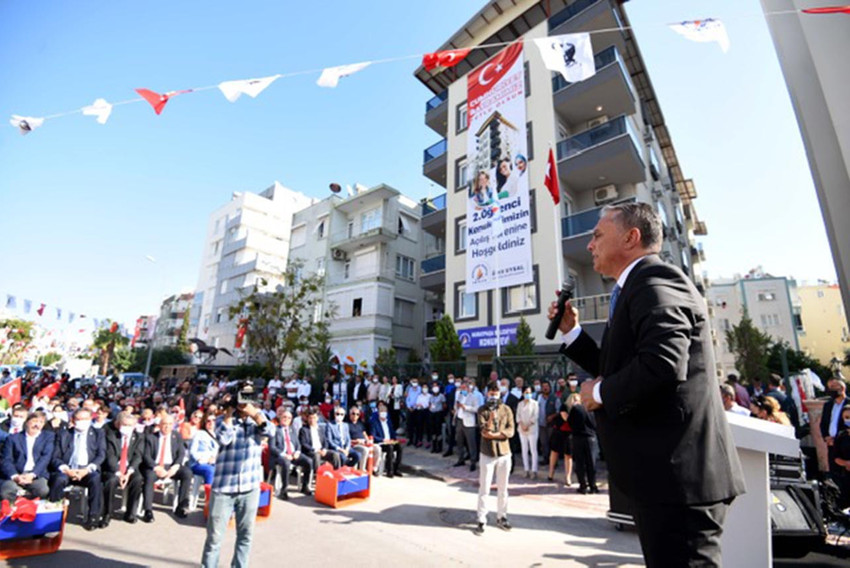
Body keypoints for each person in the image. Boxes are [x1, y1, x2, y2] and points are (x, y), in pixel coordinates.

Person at [550, 202, 745, 567]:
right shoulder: (634, 288)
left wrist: (600, 393)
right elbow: (622, 364)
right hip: (661, 481)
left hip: (679, 483)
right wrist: (572, 333)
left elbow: (663, 363)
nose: (590, 245)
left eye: (597, 235)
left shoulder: (656, 280)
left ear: (631, 237)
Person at [201, 393, 272, 568]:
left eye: (248, 396)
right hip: (224, 487)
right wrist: (228, 413)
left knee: (246, 536)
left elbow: (270, 431)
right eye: (242, 397)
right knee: (214, 538)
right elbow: (223, 439)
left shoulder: (258, 418)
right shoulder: (223, 419)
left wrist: (255, 415)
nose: (244, 402)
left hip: (250, 487)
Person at [48, 408, 106, 531]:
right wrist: (66, 470)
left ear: (90, 419)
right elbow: (55, 457)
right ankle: (53, 516)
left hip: (86, 470)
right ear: (73, 420)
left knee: (96, 479)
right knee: (58, 480)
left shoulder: (98, 433)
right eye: (78, 419)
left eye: (85, 419)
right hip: (67, 470)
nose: (81, 422)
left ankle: (93, 516)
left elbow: (101, 455)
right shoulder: (64, 434)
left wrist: (86, 470)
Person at [474, 381, 515, 535]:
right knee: (484, 488)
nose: (494, 395)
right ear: (487, 394)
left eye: (496, 392)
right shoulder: (482, 410)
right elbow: (484, 431)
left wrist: (495, 435)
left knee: (503, 488)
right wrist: (491, 419)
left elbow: (510, 431)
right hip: (487, 454)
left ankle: (502, 516)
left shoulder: (506, 409)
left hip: (504, 453)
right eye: (491, 393)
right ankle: (481, 519)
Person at [140, 413, 193, 522]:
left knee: (187, 473)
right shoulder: (151, 437)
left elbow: (181, 453)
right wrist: (156, 468)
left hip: (171, 465)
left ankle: (181, 506)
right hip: (155, 466)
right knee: (149, 477)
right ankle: (148, 510)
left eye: (170, 424)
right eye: (164, 424)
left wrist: (175, 466)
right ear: (159, 425)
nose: (167, 426)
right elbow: (146, 456)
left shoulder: (176, 436)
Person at [101, 411, 145, 527]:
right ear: (118, 424)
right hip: (113, 468)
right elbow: (109, 456)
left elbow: (138, 456)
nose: (127, 428)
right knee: (111, 482)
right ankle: (107, 514)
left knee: (138, 479)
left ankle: (130, 513)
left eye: (130, 426)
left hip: (129, 468)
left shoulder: (139, 437)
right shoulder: (111, 436)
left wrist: (129, 472)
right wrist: (118, 473)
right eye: (124, 425)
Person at [0, 412, 53, 502]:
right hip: (17, 474)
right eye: (34, 421)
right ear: (27, 422)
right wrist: (15, 476)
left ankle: (24, 499)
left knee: (42, 490)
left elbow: (45, 458)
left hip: (36, 475)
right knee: (6, 491)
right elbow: (6, 459)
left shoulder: (48, 437)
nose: (37, 425)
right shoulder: (13, 438)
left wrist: (32, 475)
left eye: (41, 422)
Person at [269, 408, 312, 499]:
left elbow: (298, 444)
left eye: (289, 418)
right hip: (280, 455)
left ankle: (305, 486)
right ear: (280, 417)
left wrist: (297, 452)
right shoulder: (275, 430)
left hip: (293, 454)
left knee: (309, 461)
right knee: (286, 462)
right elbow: (272, 447)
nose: (286, 419)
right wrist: (284, 455)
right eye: (284, 417)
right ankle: (283, 491)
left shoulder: (292, 430)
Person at [565, 393, 598, 494]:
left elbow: (570, 422)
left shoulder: (576, 409)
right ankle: (593, 486)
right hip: (591, 437)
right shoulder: (591, 408)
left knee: (580, 463)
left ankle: (583, 486)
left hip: (578, 437)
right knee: (591, 463)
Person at [821, 378, 849, 480]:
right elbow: (823, 423)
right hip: (831, 445)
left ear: (842, 388)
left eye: (833, 387)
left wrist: (838, 439)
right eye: (829, 387)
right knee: (834, 473)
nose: (830, 390)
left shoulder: (848, 404)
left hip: (845, 445)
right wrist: (826, 437)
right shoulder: (828, 405)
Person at [454, 378, 481, 472]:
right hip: (459, 419)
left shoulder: (474, 397)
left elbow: (476, 409)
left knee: (471, 442)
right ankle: (460, 459)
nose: (463, 390)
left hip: (469, 422)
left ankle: (473, 461)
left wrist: (465, 407)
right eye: (461, 388)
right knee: (459, 441)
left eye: (464, 388)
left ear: (468, 388)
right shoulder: (460, 396)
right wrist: (456, 408)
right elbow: (456, 405)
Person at [369, 402, 403, 477]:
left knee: (399, 447)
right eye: (381, 412)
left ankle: (396, 469)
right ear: (378, 413)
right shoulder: (375, 423)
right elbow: (373, 436)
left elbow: (392, 433)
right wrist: (383, 440)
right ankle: (389, 470)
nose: (383, 413)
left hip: (390, 441)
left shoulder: (388, 422)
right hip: (382, 443)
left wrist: (394, 440)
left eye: (385, 412)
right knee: (390, 448)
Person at [189, 410, 219, 486]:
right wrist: (202, 459)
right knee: (210, 470)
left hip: (214, 462)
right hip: (199, 463)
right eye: (208, 421)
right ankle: (208, 496)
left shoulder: (219, 435)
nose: (211, 422)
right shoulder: (199, 434)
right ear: (204, 422)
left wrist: (215, 459)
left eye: (213, 420)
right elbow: (192, 450)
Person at [516, 385, 539, 478]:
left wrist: (528, 425)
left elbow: (535, 416)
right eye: (526, 392)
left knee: (533, 450)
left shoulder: (535, 403)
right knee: (524, 449)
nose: (528, 394)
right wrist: (522, 425)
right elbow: (518, 416)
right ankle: (526, 469)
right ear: (523, 393)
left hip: (532, 429)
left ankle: (534, 470)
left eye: (529, 392)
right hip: (522, 429)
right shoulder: (520, 404)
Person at [547, 405, 572, 486]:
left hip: (569, 434)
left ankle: (568, 477)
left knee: (568, 455)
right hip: (559, 432)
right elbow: (566, 418)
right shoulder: (564, 407)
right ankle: (550, 474)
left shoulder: (578, 409)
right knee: (554, 453)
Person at [537, 381, 556, 467]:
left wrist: (552, 416)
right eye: (543, 386)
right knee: (544, 443)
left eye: (547, 386)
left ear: (550, 387)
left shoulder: (554, 398)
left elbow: (558, 410)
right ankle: (546, 459)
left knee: (552, 443)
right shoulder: (539, 397)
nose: (545, 388)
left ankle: (554, 461)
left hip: (551, 424)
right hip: (541, 424)